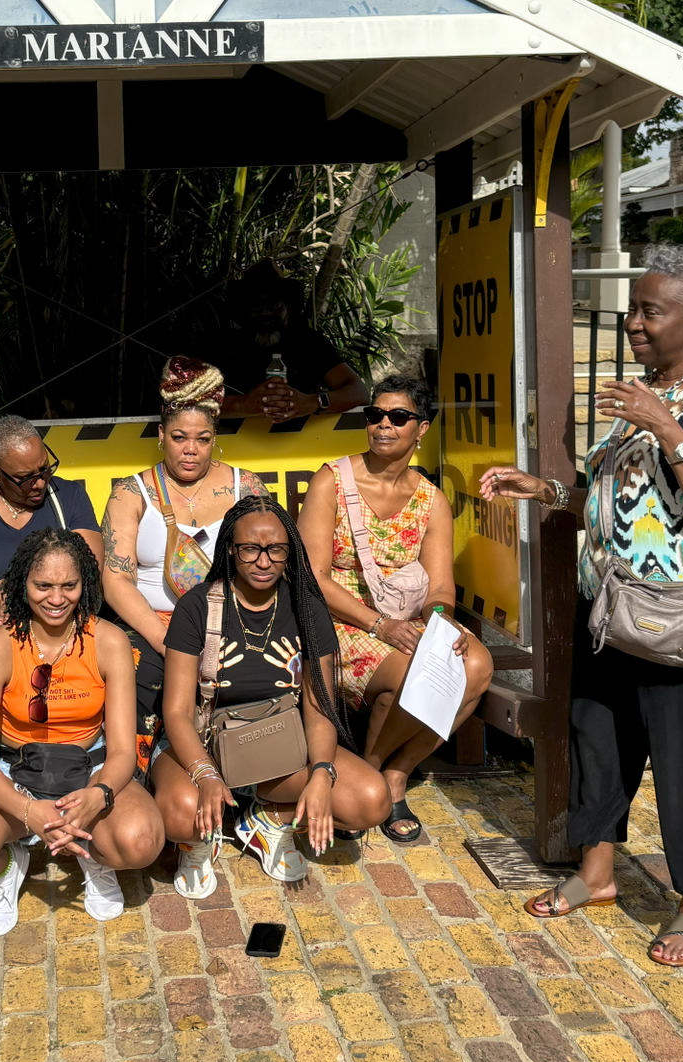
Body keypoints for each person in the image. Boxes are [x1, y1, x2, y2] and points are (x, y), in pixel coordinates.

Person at [481, 246, 683, 967]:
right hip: (610, 604)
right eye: (633, 308)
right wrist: (547, 491)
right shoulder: (645, 391)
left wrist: (668, 427)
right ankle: (597, 871)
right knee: (598, 739)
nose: (633, 322)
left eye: (651, 311)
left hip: (681, 614)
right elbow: (624, 497)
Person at [151, 497, 393, 893]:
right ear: (231, 549)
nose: (263, 561)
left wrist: (321, 772)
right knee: (181, 815)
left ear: (289, 551)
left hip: (275, 745)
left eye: (276, 549)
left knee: (371, 799)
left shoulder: (307, 608)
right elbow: (176, 712)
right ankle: (197, 840)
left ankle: (269, 817)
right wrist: (205, 774)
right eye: (250, 548)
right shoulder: (198, 606)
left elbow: (318, 706)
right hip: (203, 743)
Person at [0, 528, 165, 933]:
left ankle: (93, 858)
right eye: (43, 586)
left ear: (84, 584)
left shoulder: (109, 641)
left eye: (69, 586)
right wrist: (28, 811)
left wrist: (97, 796)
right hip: (15, 773)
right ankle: (7, 864)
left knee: (141, 841)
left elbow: (123, 751)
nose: (56, 599)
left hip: (88, 769)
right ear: (22, 584)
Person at [300, 376, 494, 842]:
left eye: (398, 417)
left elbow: (439, 585)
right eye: (375, 415)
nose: (383, 425)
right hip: (338, 621)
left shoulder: (431, 500)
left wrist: (441, 623)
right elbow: (312, 577)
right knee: (412, 673)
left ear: (421, 428)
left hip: (401, 624)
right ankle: (365, 777)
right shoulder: (332, 481)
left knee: (477, 666)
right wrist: (380, 625)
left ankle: (393, 774)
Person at [101, 358, 261, 770]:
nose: (190, 449)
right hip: (152, 623)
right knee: (136, 676)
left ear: (214, 438)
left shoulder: (246, 487)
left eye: (202, 439)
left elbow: (271, 561)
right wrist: (168, 641)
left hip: (229, 620)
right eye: (178, 437)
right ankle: (133, 779)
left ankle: (248, 780)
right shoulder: (131, 493)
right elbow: (116, 580)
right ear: (161, 436)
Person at [0, 415, 102, 787]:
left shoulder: (68, 497)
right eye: (25, 477)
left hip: (56, 621)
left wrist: (29, 597)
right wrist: (5, 592)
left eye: (44, 468)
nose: (40, 482)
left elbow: (90, 567)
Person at [198, 261, 368, 422]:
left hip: (305, 440)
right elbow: (189, 403)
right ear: (242, 310)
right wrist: (241, 404)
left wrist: (312, 402)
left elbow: (359, 392)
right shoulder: (221, 346)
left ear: (288, 307)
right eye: (255, 303)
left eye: (275, 302)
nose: (265, 312)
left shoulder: (309, 343)